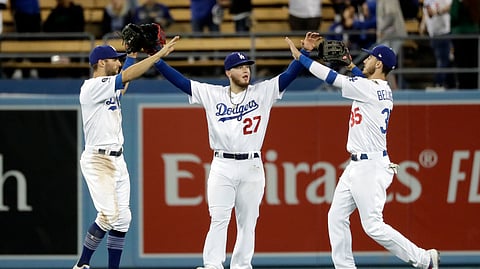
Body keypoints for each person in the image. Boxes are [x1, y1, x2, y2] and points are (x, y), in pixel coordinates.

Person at [153, 32, 318, 269]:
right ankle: (212, 265)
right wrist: (157, 59)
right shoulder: (213, 94)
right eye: (239, 66)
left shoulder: (263, 92)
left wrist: (305, 52)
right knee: (218, 218)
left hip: (252, 165)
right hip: (222, 165)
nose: (245, 70)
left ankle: (242, 266)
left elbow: (290, 75)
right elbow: (181, 82)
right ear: (228, 72)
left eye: (247, 66)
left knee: (248, 222)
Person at [284, 36, 440, 269]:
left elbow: (331, 78)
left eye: (370, 57)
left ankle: (424, 259)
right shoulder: (381, 89)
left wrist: (301, 59)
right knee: (336, 217)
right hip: (358, 166)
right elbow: (360, 81)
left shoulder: (369, 88)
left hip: (370, 167)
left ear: (379, 64)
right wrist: (350, 65)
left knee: (373, 226)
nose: (366, 59)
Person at [73, 36, 179, 269]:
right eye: (115, 60)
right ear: (101, 63)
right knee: (109, 214)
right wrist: (158, 55)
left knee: (123, 220)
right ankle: (81, 265)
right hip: (98, 159)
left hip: (117, 159)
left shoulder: (109, 87)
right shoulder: (91, 88)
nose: (118, 64)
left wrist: (131, 56)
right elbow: (127, 77)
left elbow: (124, 83)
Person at [419, 0, 453, 89]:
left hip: (444, 32)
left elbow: (451, 6)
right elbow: (426, 12)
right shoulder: (427, 0)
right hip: (433, 34)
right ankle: (449, 84)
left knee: (443, 60)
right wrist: (423, 25)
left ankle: (439, 83)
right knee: (443, 60)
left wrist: (438, 11)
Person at [376, 0, 407, 90]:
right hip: (388, 36)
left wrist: (380, 30)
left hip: (393, 36)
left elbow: (391, 15)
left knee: (387, 63)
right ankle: (393, 88)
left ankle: (395, 88)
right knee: (386, 63)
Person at [450, 0, 480, 89]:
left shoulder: (457, 2)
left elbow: (454, 17)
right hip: (474, 35)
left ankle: (463, 88)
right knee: (473, 64)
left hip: (460, 36)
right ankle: (474, 88)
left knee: (462, 65)